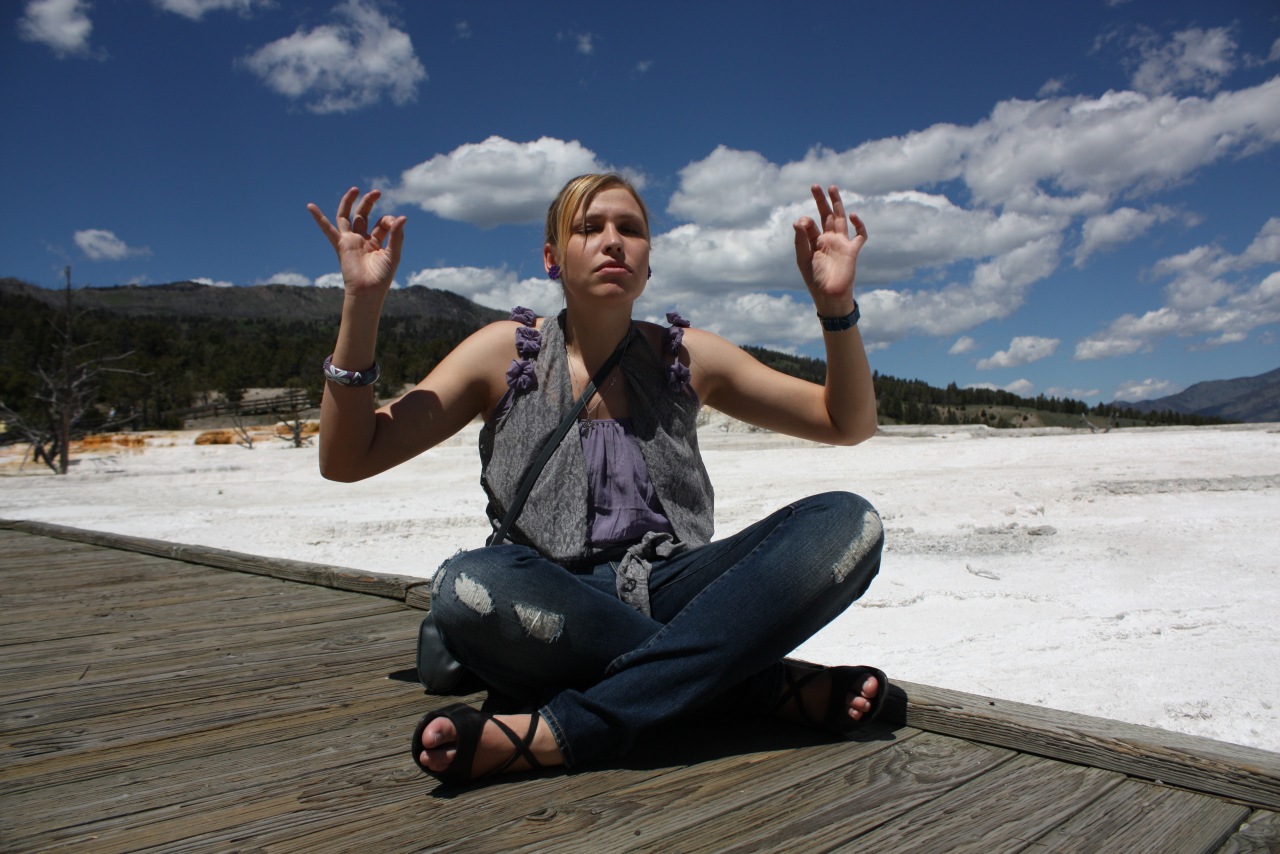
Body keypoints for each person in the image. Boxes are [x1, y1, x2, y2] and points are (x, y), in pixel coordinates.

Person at [307, 174, 887, 786]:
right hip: (552, 598)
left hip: (675, 584)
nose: (613, 241)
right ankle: (757, 685)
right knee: (465, 584)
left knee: (848, 522)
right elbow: (349, 458)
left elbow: (846, 422)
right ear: (552, 258)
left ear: (648, 260)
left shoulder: (686, 357)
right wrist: (361, 303)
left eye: (629, 229)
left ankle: (564, 731)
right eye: (589, 228)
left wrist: (836, 308)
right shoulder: (504, 354)